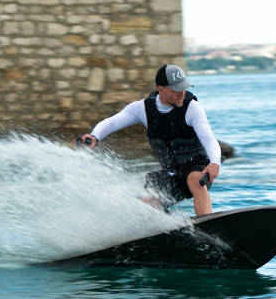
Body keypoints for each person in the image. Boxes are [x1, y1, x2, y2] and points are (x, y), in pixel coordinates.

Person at [76, 64, 221, 216]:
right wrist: (94, 135)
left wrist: (214, 162)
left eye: (183, 88)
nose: (182, 93)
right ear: (161, 89)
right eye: (176, 89)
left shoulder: (192, 108)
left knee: (195, 179)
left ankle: (206, 225)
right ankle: (163, 231)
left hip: (196, 167)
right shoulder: (142, 108)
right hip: (170, 174)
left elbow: (208, 138)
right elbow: (112, 122)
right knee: (148, 201)